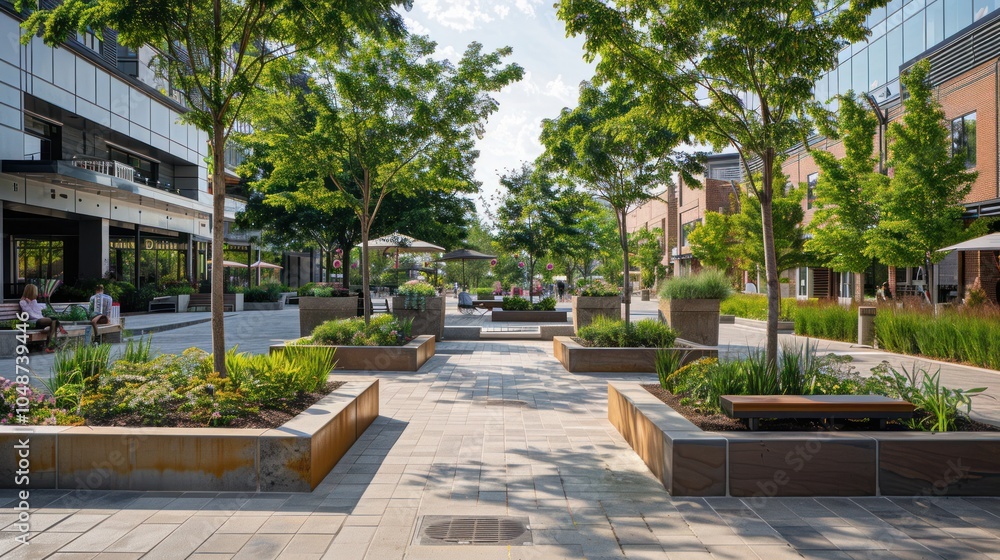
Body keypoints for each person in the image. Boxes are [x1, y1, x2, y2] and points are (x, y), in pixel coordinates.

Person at [20, 284, 65, 352]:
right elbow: (30, 314)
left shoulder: (33, 301)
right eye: (35, 292)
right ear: (31, 292)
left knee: (54, 322)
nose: (36, 294)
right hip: (33, 322)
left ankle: (48, 347)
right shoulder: (23, 302)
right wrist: (30, 303)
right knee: (53, 320)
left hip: (40, 320)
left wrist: (32, 302)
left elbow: (38, 312)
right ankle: (60, 328)